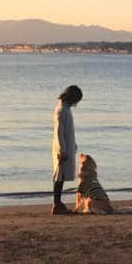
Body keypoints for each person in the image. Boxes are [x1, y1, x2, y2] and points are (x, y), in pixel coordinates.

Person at [51, 85, 83, 215]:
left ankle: (57, 203)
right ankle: (56, 204)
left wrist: (73, 144)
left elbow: (68, 130)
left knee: (61, 176)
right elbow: (59, 132)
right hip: (62, 147)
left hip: (66, 145)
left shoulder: (65, 108)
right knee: (59, 175)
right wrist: (62, 150)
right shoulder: (61, 110)